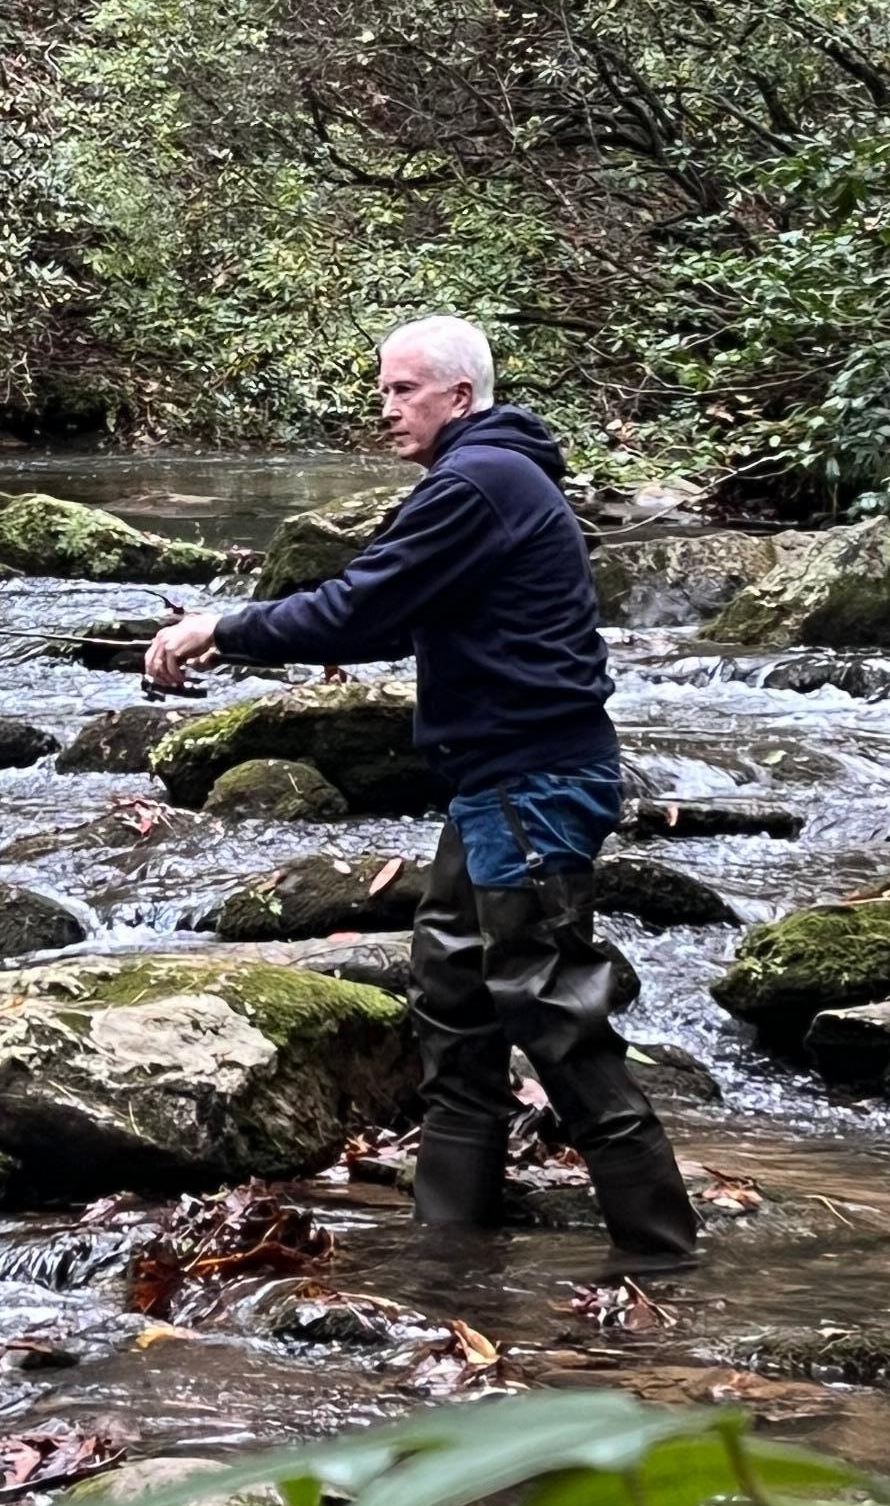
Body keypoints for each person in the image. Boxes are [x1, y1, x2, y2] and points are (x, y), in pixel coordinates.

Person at [146, 314, 700, 1269]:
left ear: (459, 396)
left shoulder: (480, 484)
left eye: (402, 391)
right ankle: (453, 1253)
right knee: (455, 999)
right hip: (496, 784)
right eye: (383, 390)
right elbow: (397, 619)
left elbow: (365, 606)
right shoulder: (486, 479)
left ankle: (665, 1257)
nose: (385, 408)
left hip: (534, 784)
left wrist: (224, 628)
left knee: (552, 1014)